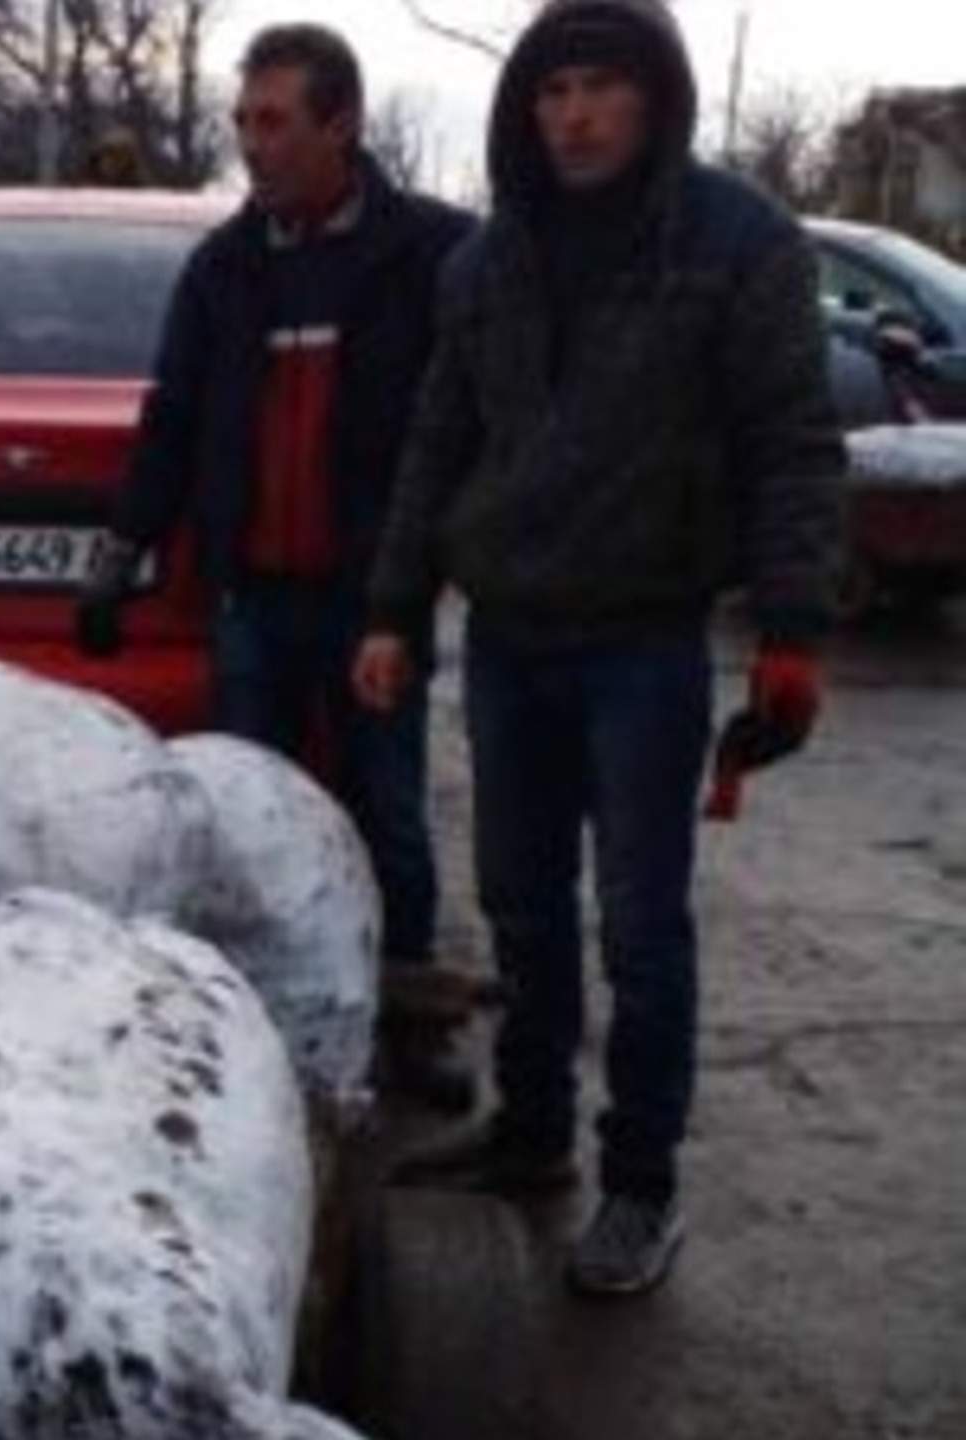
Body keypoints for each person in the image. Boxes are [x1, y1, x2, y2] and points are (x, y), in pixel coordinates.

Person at [355, 0, 842, 1296]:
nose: (572, 113)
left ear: (655, 100)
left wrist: (793, 631)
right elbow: (435, 444)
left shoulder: (737, 244)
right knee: (520, 906)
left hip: (643, 645)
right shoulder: (488, 264)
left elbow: (794, 443)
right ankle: (528, 1137)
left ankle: (640, 1184)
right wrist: (394, 609)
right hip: (511, 637)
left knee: (639, 926)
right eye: (552, 89)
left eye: (600, 88)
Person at [74, 23, 477, 1111]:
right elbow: (174, 419)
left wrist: (459, 556)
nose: (253, 146)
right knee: (250, 817)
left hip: (373, 604)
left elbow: (481, 418)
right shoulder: (225, 268)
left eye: (274, 122)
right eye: (242, 122)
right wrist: (123, 554)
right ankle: (254, 1018)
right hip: (251, 597)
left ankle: (412, 1023)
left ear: (341, 123)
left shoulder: (431, 254)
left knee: (387, 809)